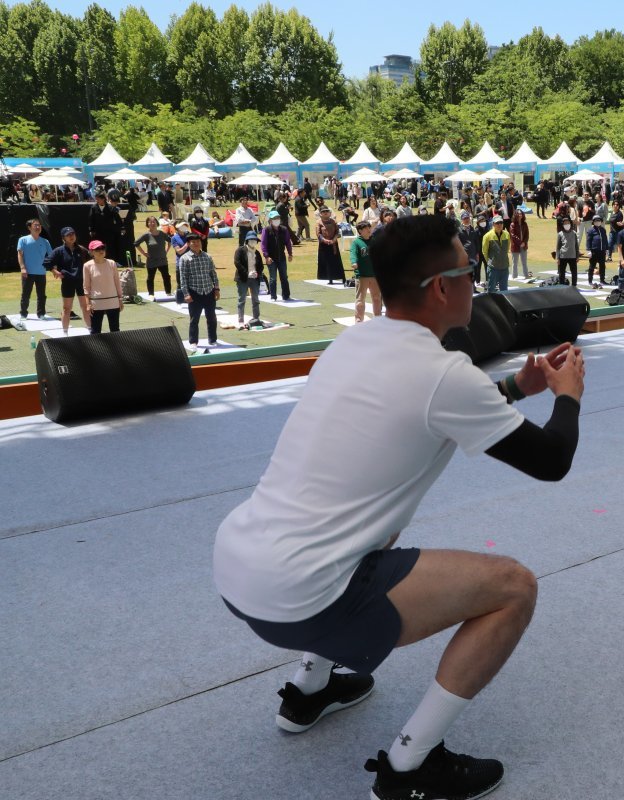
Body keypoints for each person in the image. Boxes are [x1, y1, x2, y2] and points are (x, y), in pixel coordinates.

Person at [212, 213, 584, 800]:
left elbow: (434, 403)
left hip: (238, 568)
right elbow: (552, 460)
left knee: (373, 534)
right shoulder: (444, 373)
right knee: (514, 586)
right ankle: (409, 769)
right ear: (443, 287)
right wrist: (567, 397)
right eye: (470, 271)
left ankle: (310, 691)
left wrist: (517, 388)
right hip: (300, 597)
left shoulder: (355, 340)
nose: (476, 282)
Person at [179, 232, 220, 349]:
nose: (196, 244)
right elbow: (183, 278)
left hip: (208, 291)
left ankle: (212, 339)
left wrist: (216, 289)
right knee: (194, 319)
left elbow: (213, 274)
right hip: (194, 292)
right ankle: (193, 341)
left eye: (198, 242)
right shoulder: (185, 258)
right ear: (188, 244)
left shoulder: (207, 256)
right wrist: (186, 294)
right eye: (193, 242)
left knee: (211, 317)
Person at [46, 226, 90, 334]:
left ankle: (90, 330)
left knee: (86, 307)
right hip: (68, 282)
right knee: (67, 308)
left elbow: (90, 263)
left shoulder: (82, 250)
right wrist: (54, 271)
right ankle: (65, 333)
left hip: (82, 281)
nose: (71, 236)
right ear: (63, 238)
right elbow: (47, 262)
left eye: (73, 234)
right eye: (68, 235)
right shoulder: (59, 251)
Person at [82, 241, 122, 334]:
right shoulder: (87, 266)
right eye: (97, 249)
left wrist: (120, 299)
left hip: (113, 301)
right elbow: (86, 286)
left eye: (102, 248)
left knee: (115, 329)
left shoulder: (112, 263)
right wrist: (88, 304)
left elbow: (117, 282)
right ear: (91, 252)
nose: (101, 251)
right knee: (96, 331)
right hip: (96, 303)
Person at [16, 218, 52, 321]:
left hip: (41, 272)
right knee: (26, 294)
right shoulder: (23, 240)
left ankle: (41, 314)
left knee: (41, 295)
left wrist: (53, 267)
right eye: (35, 225)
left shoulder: (45, 241)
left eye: (39, 225)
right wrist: (23, 268)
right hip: (27, 272)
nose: (38, 227)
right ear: (29, 228)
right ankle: (23, 314)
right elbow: (20, 255)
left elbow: (51, 256)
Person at [350, 220, 382, 323]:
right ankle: (359, 321)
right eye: (366, 228)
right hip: (362, 276)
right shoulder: (357, 242)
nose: (369, 230)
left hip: (375, 275)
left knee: (377, 298)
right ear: (360, 231)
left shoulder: (375, 240)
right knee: (360, 300)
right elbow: (353, 254)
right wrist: (354, 262)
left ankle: (378, 320)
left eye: (369, 227)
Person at [260, 210, 295, 301]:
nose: (277, 220)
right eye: (275, 218)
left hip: (281, 257)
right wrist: (266, 256)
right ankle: (273, 296)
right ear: (270, 220)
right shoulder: (266, 230)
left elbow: (288, 242)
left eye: (278, 218)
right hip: (271, 258)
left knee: (284, 277)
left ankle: (286, 295)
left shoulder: (284, 229)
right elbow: (263, 244)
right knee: (273, 278)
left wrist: (290, 253)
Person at [135, 217, 172, 298]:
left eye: (154, 221)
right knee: (150, 278)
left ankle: (168, 292)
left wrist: (166, 250)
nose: (152, 223)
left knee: (166, 276)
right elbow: (136, 244)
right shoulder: (146, 235)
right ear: (147, 224)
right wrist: (144, 253)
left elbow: (170, 241)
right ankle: (151, 294)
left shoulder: (162, 234)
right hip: (151, 260)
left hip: (162, 260)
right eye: (150, 222)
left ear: (157, 223)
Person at [233, 231, 264, 328]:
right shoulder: (240, 251)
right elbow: (237, 263)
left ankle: (256, 318)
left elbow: (260, 266)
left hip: (254, 279)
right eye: (251, 240)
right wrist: (247, 273)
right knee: (241, 299)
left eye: (255, 240)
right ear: (247, 241)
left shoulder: (257, 253)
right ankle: (240, 320)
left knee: (255, 299)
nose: (253, 242)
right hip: (243, 278)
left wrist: (257, 273)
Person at [88, 193, 124, 265]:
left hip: (109, 231)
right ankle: (98, 261)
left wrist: (122, 227)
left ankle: (111, 262)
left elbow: (118, 218)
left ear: (103, 199)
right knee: (98, 246)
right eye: (96, 199)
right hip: (98, 231)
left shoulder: (110, 207)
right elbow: (91, 219)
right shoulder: (94, 207)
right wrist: (91, 230)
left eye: (98, 199)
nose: (97, 200)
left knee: (109, 247)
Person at [317, 207, 347, 285]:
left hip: (334, 244)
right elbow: (318, 234)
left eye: (327, 211)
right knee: (327, 262)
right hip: (324, 245)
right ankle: (330, 279)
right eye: (323, 212)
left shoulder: (333, 221)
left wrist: (334, 239)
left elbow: (337, 232)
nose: (325, 213)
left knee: (337, 262)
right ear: (320, 214)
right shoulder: (319, 222)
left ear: (330, 213)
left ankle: (342, 278)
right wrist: (325, 240)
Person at [480, 216, 510, 293]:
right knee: (491, 290)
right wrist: (491, 262)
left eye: (501, 222)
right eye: (497, 223)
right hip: (493, 269)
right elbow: (484, 252)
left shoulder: (507, 234)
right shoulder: (487, 236)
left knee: (504, 290)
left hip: (504, 267)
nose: (499, 224)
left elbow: (507, 249)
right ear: (493, 224)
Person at [556, 217, 580, 286]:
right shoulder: (560, 234)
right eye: (565, 223)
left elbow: (576, 246)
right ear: (562, 225)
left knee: (574, 272)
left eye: (568, 223)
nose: (567, 224)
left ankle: (574, 285)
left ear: (570, 223)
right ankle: (561, 286)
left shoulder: (574, 233)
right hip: (563, 256)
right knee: (562, 273)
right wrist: (557, 258)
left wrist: (577, 256)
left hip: (572, 256)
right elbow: (558, 247)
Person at [585, 215, 607, 288]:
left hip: (602, 251)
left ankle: (602, 280)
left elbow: (605, 240)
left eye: (599, 220)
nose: (597, 222)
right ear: (593, 222)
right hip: (594, 251)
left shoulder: (603, 230)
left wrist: (606, 249)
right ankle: (590, 280)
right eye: (596, 221)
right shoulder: (591, 230)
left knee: (602, 266)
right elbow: (588, 241)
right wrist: (588, 250)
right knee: (592, 266)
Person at [508, 208, 530, 280]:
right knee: (515, 262)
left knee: (524, 262)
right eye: (518, 214)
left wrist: (524, 242)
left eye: (521, 214)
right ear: (515, 215)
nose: (520, 215)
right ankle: (514, 276)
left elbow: (527, 234)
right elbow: (513, 235)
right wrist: (520, 243)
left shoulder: (525, 224)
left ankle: (526, 275)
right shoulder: (512, 224)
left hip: (523, 245)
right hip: (516, 246)